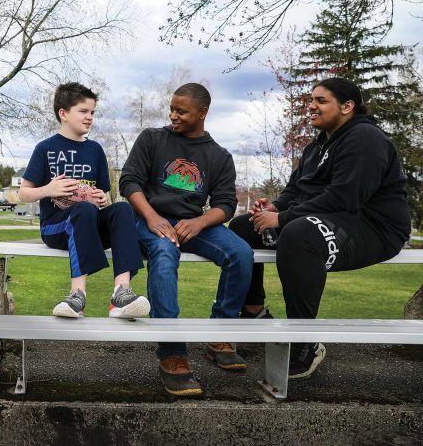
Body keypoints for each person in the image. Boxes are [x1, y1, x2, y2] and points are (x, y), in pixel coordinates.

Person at [229, 77, 411, 378]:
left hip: (374, 227)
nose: (311, 106)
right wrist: (275, 208)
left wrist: (283, 219)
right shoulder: (317, 146)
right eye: (311, 100)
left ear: (347, 106)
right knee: (242, 227)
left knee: (301, 234)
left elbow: (346, 197)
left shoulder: (365, 138)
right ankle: (254, 311)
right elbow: (296, 189)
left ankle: (305, 341)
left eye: (321, 100)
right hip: (331, 218)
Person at [119, 82, 253, 397]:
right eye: (172, 109)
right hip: (150, 221)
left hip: (194, 224)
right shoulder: (152, 138)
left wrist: (200, 221)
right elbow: (129, 181)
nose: (173, 115)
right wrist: (152, 217)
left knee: (241, 254)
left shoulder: (219, 155)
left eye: (181, 111)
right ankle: (172, 353)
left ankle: (219, 332)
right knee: (164, 255)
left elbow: (225, 204)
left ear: (202, 113)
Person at [19, 82, 150, 319]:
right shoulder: (45, 148)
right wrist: (49, 188)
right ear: (64, 113)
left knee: (122, 209)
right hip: (56, 228)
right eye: (83, 111)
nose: (89, 117)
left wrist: (102, 198)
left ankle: (121, 295)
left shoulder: (95, 150)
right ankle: (77, 296)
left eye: (92, 112)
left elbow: (104, 196)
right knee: (83, 210)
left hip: (90, 226)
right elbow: (23, 193)